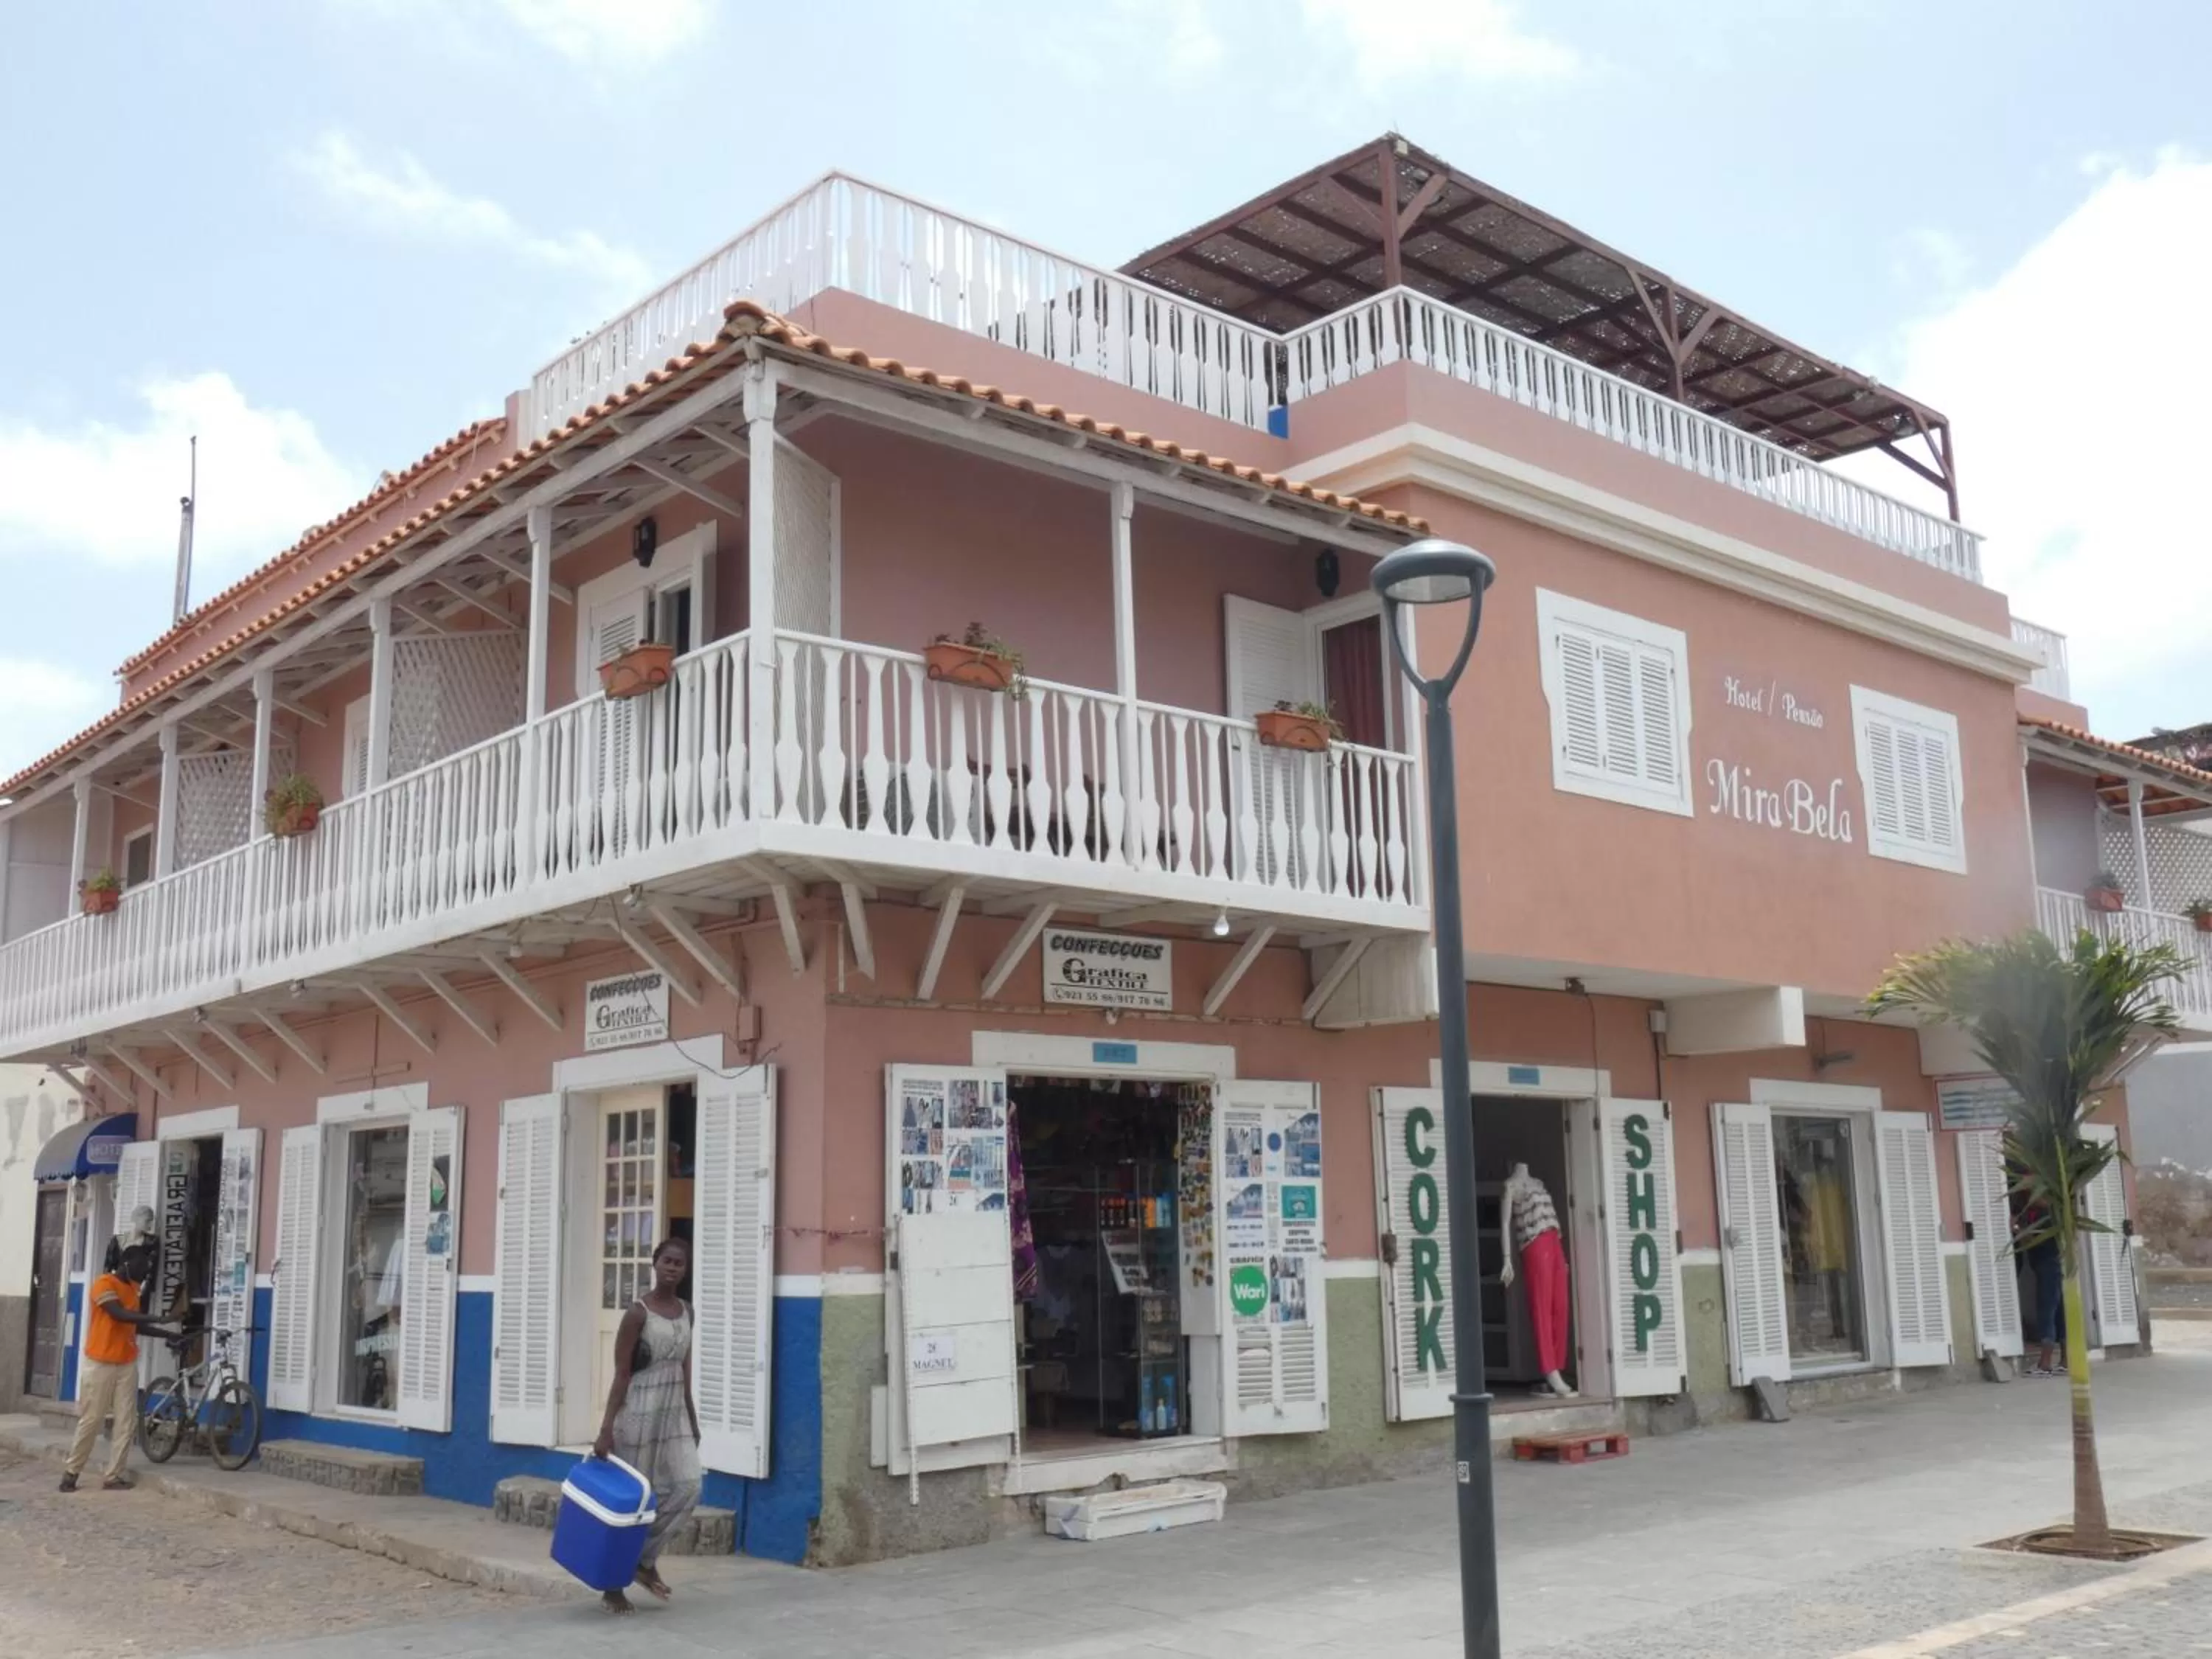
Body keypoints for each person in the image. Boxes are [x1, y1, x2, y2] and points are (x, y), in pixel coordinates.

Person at [591, 1237, 701, 1613]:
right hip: (638, 1409)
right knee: (631, 1502)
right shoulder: (637, 1313)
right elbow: (621, 1373)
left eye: (679, 1264)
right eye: (667, 1261)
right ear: (655, 1264)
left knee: (689, 1485)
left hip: (673, 1413)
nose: (672, 1268)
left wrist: (692, 1416)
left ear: (686, 1271)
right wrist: (607, 1428)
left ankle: (643, 1559)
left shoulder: (688, 1311)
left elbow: (685, 1371)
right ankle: (612, 1588)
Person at [61, 1234, 175, 1493]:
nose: (145, 1272)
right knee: (92, 1419)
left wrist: (168, 1334)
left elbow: (135, 1325)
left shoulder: (133, 1291)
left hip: (126, 1363)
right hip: (99, 1363)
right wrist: (160, 1317)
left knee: (127, 1421)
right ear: (126, 1262)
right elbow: (119, 1314)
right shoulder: (104, 1284)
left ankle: (113, 1476)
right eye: (142, 1267)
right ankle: (71, 1472)